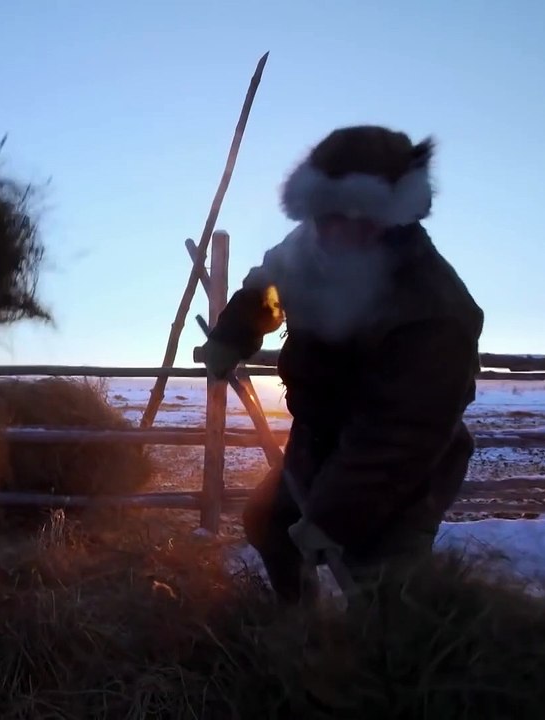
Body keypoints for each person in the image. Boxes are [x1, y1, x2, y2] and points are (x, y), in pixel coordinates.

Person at [201, 125, 484, 604]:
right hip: (317, 436)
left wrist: (333, 519)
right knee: (270, 524)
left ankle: (391, 643)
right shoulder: (309, 247)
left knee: (380, 581)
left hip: (400, 471)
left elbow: (401, 435)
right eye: (326, 217)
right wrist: (233, 336)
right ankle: (298, 624)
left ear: (392, 215)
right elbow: (267, 287)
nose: (334, 233)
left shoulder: (433, 307)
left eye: (355, 218)